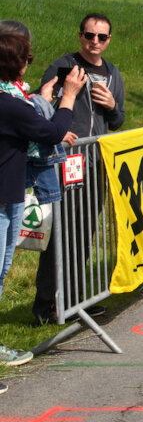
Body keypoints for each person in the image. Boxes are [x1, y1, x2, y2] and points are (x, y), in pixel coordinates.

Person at [34, 13, 126, 326]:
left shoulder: (112, 73)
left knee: (84, 231)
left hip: (95, 161)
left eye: (101, 37)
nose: (94, 42)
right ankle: (46, 304)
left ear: (109, 40)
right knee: (62, 232)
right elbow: (41, 105)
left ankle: (75, 299)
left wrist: (112, 106)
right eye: (89, 35)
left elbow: (118, 120)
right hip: (67, 160)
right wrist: (58, 127)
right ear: (80, 36)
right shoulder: (64, 66)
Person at [0, 32, 83, 373]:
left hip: (10, 194)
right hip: (3, 198)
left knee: (3, 269)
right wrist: (68, 97)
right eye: (27, 59)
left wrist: (42, 100)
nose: (28, 64)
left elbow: (30, 122)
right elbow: (50, 132)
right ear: (16, 65)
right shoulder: (9, 104)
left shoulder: (13, 100)